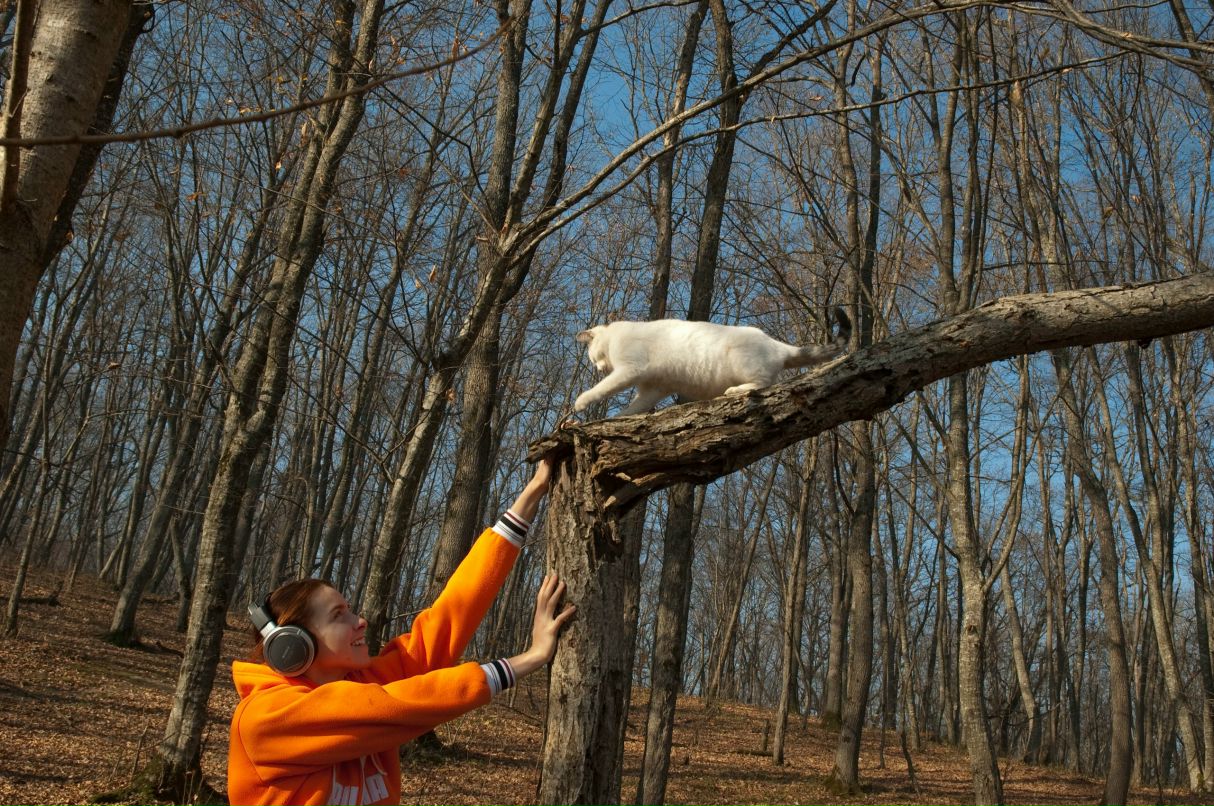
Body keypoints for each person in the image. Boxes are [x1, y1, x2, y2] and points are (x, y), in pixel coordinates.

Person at [227, 457, 574, 806]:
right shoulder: (266, 720)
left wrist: (533, 491)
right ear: (293, 645)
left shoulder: (363, 682)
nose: (360, 621)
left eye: (350, 610)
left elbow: (448, 619)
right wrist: (530, 658)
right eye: (338, 615)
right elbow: (395, 705)